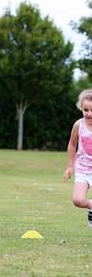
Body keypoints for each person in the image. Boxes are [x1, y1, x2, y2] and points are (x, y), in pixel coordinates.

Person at [64, 88, 92, 226]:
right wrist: (70, 166)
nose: (89, 114)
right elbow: (72, 145)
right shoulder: (78, 125)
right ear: (81, 108)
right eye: (86, 110)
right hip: (83, 169)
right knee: (78, 200)